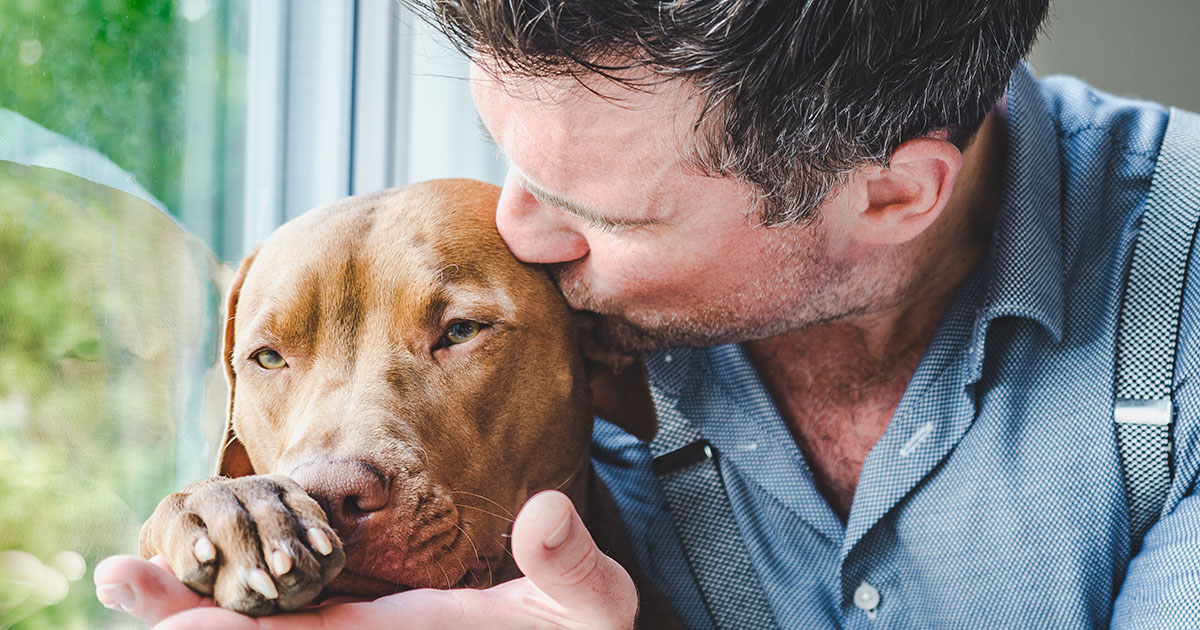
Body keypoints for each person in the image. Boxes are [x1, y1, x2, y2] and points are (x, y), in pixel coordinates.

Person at [94, 0, 1200, 627]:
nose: (519, 235)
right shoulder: (558, 321)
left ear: (891, 194)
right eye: (511, 163)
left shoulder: (1176, 296)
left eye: (594, 209)